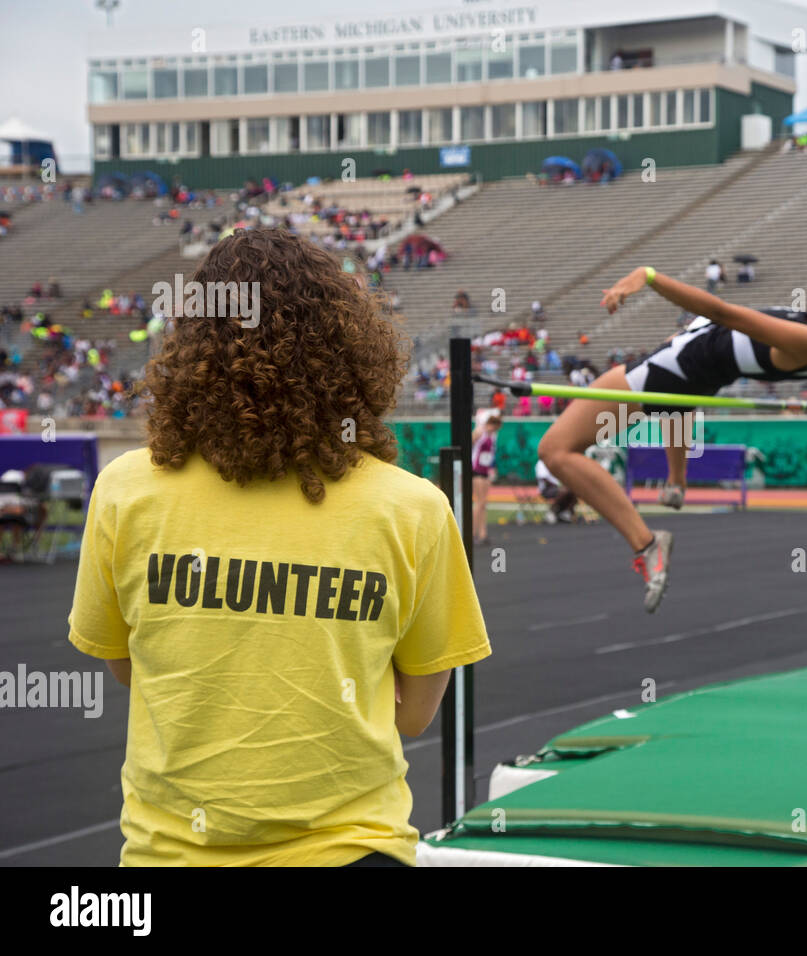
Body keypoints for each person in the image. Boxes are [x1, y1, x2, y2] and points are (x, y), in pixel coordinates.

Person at [65, 229, 490, 866]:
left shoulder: (126, 491)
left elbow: (129, 669)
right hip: (353, 852)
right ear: (348, 346)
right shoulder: (413, 509)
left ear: (189, 345)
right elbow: (414, 716)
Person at [537, 256, 807, 612]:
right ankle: (676, 482)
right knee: (675, 394)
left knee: (556, 450)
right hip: (695, 367)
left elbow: (725, 312)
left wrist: (647, 276)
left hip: (672, 370)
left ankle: (647, 544)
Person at [471, 410, 502, 545]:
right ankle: (471, 533)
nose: (494, 429)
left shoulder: (493, 436)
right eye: (493, 425)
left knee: (484, 503)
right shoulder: (479, 432)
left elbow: (491, 453)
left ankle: (483, 533)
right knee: (479, 502)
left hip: (485, 470)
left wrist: (492, 469)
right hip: (476, 469)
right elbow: (469, 444)